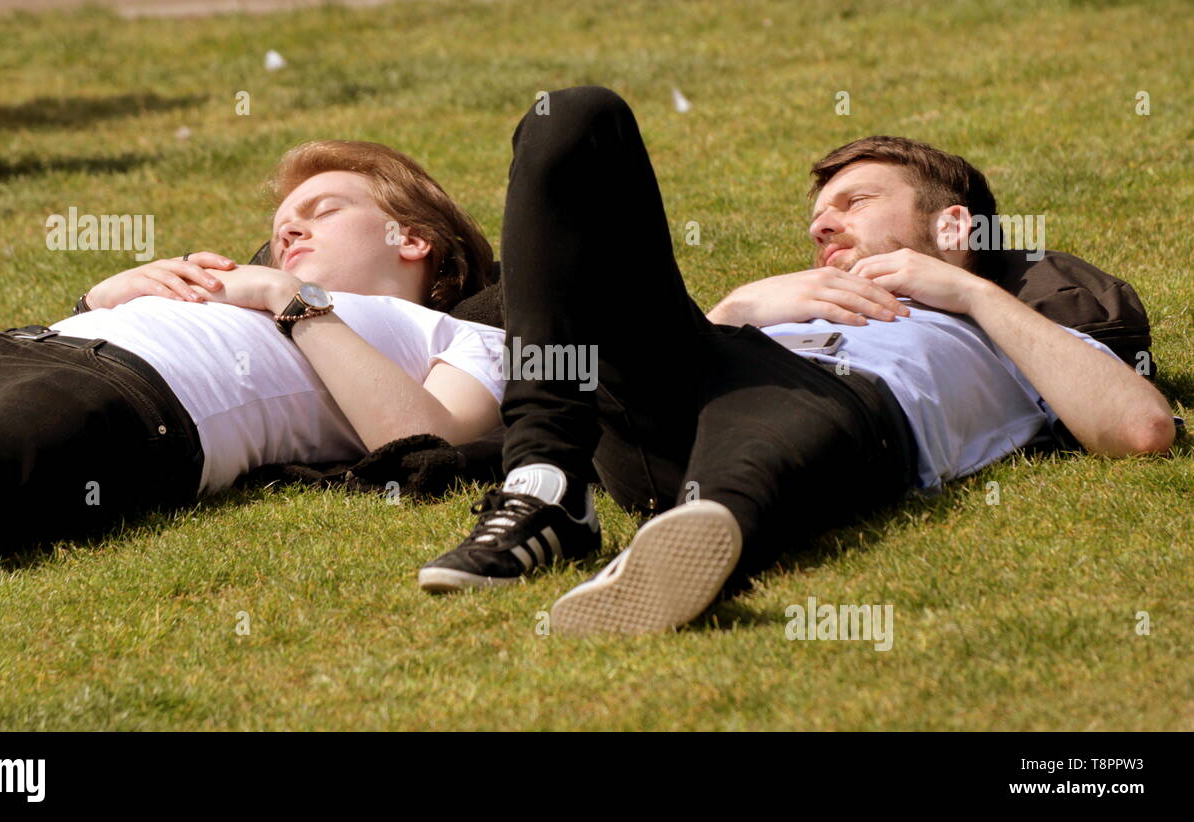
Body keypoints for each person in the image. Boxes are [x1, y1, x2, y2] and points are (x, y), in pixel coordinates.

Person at [419, 86, 1175, 636]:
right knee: (578, 119)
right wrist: (739, 307)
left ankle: (702, 534)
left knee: (765, 434)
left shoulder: (1009, 325)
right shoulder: (778, 303)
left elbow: (1142, 427)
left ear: (952, 226)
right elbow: (683, 360)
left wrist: (967, 295)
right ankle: (549, 489)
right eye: (819, 214)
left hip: (842, 407)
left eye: (854, 201)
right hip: (709, 375)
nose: (822, 221)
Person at [0, 140, 505, 579]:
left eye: (322, 213)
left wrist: (288, 299)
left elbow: (431, 443)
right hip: (11, 349)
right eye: (280, 225)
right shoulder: (250, 285)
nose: (287, 233)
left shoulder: (454, 334)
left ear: (414, 238)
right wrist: (98, 299)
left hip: (123, 398)